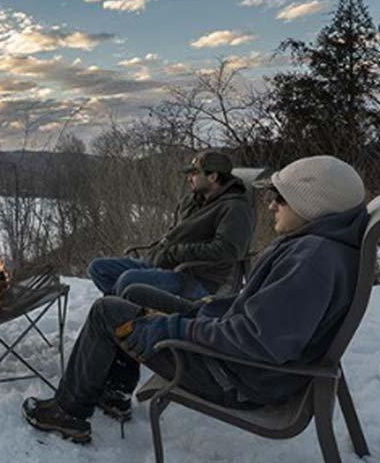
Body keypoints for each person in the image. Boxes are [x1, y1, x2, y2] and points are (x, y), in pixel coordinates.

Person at [23, 155, 368, 444]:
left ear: (313, 203)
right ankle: (114, 393)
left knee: (106, 311)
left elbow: (258, 341)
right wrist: (202, 311)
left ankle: (68, 412)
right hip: (230, 350)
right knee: (133, 293)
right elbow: (258, 316)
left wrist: (173, 327)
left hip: (234, 376)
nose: (270, 203)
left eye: (281, 197)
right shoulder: (314, 245)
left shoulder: (311, 261)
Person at [85, 149, 255, 419]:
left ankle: (119, 377)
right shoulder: (197, 200)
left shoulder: (235, 208)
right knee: (100, 268)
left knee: (128, 283)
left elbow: (228, 250)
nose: (189, 178)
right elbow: (177, 233)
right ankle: (122, 329)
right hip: (163, 265)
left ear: (213, 176)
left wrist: (177, 253)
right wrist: (163, 251)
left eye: (195, 173)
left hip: (196, 280)